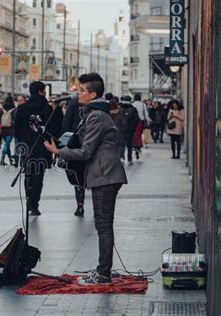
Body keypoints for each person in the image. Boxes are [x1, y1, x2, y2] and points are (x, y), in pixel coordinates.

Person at [44, 73, 127, 285]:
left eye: (81, 90)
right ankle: (102, 270)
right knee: (103, 224)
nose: (77, 93)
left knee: (103, 225)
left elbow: (86, 151)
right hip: (102, 173)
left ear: (93, 94)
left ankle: (103, 274)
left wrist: (58, 152)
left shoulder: (97, 116)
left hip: (105, 174)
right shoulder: (92, 114)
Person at [14, 81, 60, 216]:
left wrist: (23, 141)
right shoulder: (47, 109)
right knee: (38, 177)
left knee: (28, 175)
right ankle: (34, 205)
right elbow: (54, 129)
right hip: (43, 147)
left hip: (27, 148)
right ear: (41, 92)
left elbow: (16, 129)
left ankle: (28, 201)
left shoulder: (22, 108)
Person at [61, 94, 86, 216]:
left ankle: (80, 204)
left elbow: (66, 124)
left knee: (78, 175)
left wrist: (63, 145)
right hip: (90, 142)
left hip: (75, 143)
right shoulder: (96, 104)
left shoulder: (74, 103)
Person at [119, 96, 139, 165]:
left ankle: (121, 157)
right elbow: (136, 120)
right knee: (129, 145)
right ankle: (129, 158)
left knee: (121, 143)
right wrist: (133, 128)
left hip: (121, 130)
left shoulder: (120, 109)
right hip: (130, 130)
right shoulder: (133, 109)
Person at [0, 96, 16, 166]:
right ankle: (2, 159)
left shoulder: (2, 109)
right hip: (10, 129)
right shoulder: (14, 109)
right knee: (7, 145)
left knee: (7, 145)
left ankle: (10, 160)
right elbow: (14, 120)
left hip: (3, 129)